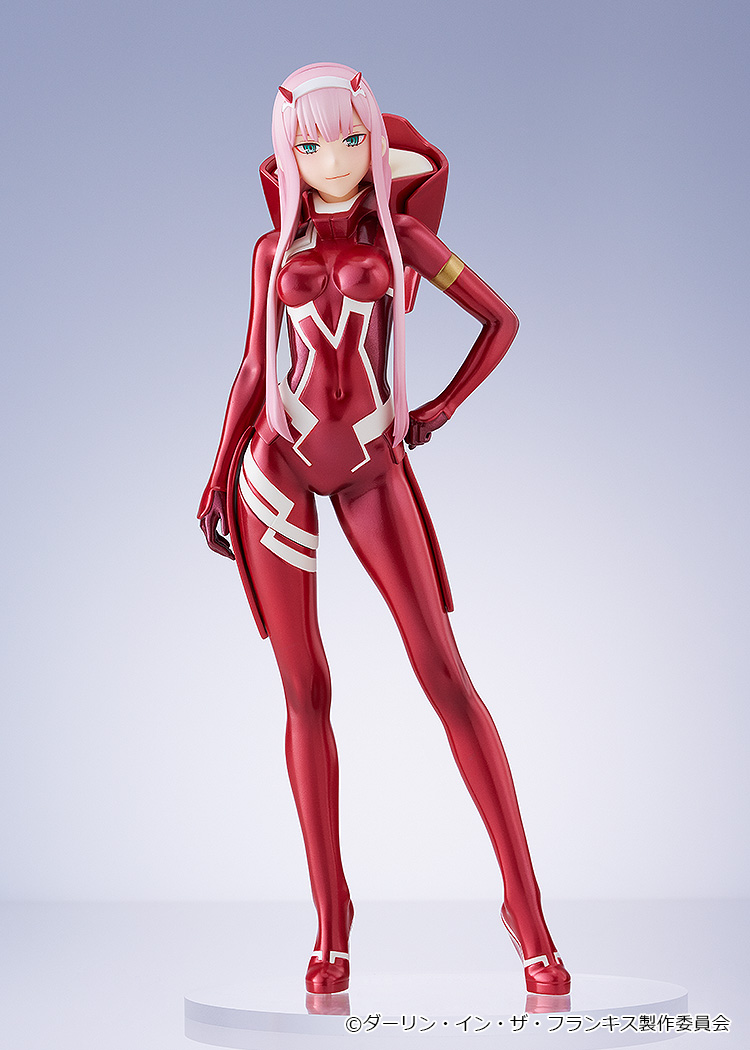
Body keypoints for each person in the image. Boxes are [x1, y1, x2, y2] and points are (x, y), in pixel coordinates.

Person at [198, 62, 570, 999]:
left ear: (373, 139)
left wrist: (438, 407)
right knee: (304, 689)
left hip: (372, 464)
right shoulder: (269, 251)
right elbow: (253, 369)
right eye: (311, 143)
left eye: (349, 138)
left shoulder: (406, 242)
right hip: (274, 468)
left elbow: (499, 321)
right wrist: (214, 470)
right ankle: (332, 922)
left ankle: (526, 912)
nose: (332, 158)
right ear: (288, 152)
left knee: (444, 672)